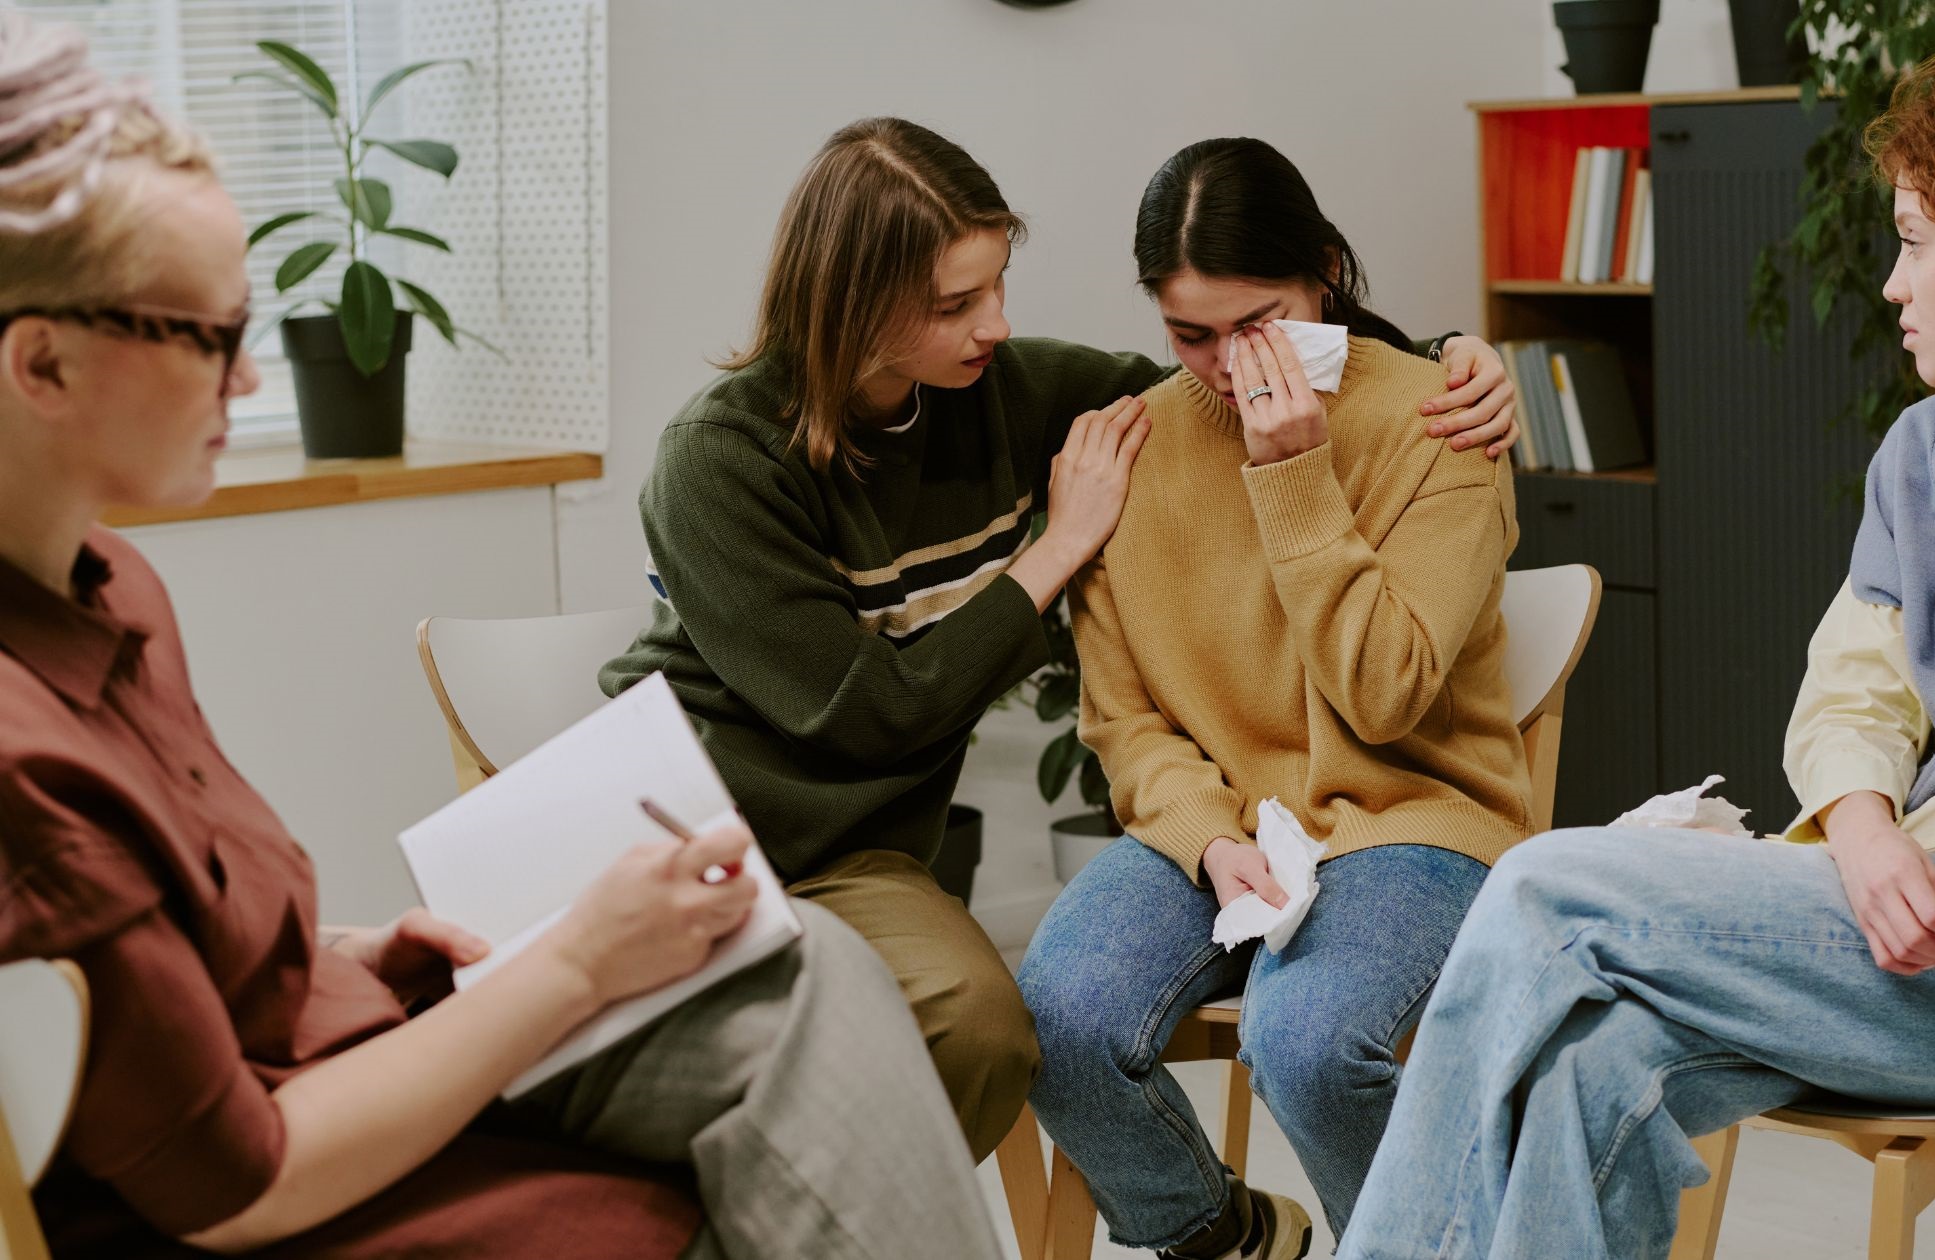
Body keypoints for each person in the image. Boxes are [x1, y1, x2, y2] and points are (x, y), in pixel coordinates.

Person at [0, 16, 997, 1258]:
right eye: (210, 338)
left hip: (328, 1043)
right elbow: (234, 1182)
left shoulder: (115, 590)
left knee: (818, 977)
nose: (249, 381)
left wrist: (351, 952)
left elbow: (162, 954)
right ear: (41, 363)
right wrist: (574, 961)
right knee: (759, 1093)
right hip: (267, 1179)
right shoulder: (22, 758)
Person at [1339, 47, 1935, 1259]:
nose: (1887, 283)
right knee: (1585, 1065)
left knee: (1545, 888)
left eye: (1915, 241)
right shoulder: (1923, 453)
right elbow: (1849, 693)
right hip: (1885, 932)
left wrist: (1871, 853)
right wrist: (1858, 836)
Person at [598, 116, 1521, 1161]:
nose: (992, 326)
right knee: (1018, 1028)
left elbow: (1288, 385)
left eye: (996, 285)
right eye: (954, 305)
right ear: (852, 303)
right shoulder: (722, 461)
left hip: (881, 848)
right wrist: (1060, 552)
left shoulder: (1009, 391)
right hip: (685, 817)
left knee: (1132, 1035)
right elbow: (898, 715)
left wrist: (1450, 359)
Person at [1014, 137, 1534, 1260]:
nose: (1222, 364)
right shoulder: (1132, 449)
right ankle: (1226, 1239)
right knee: (1052, 1014)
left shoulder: (1442, 422)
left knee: (1304, 1039)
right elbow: (1122, 721)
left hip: (1410, 817)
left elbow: (1384, 693)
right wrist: (1204, 842)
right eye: (1188, 334)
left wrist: (1292, 474)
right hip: (1221, 831)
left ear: (1326, 274)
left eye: (1255, 322)